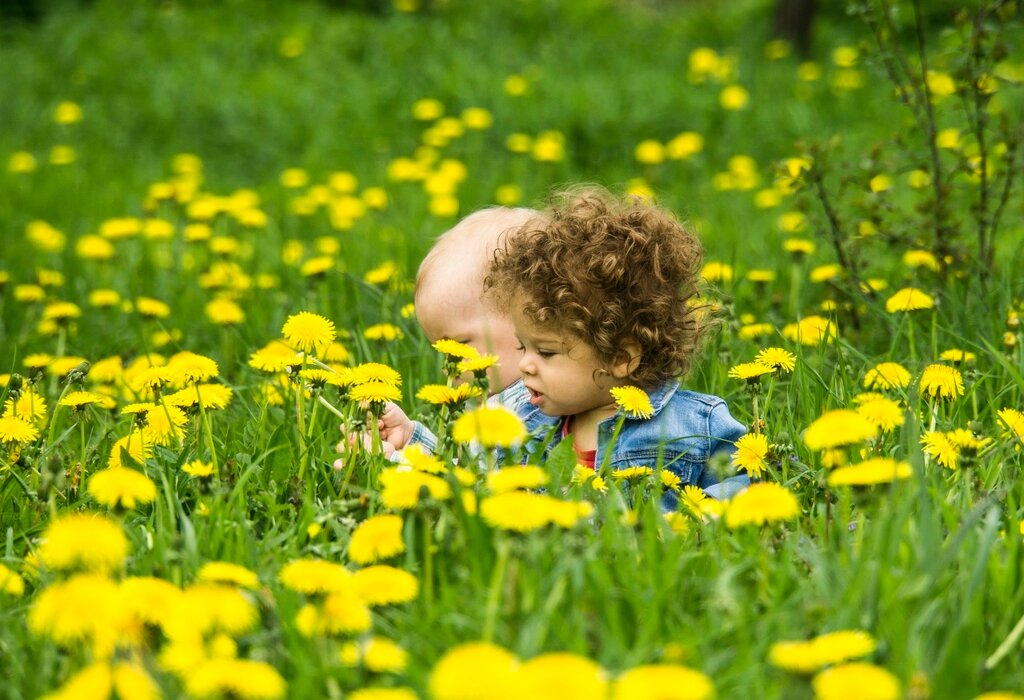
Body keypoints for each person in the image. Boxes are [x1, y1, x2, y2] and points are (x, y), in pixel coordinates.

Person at [483, 186, 748, 501]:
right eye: (522, 347)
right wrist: (412, 436)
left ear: (621, 357)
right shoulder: (524, 420)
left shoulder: (695, 425)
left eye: (546, 352)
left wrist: (700, 519)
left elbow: (749, 481)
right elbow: (465, 463)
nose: (525, 365)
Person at [338, 206, 538, 459]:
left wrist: (391, 462)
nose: (448, 368)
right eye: (443, 352)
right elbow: (467, 468)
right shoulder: (498, 402)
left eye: (459, 344)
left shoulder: (533, 406)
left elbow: (484, 486)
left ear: (531, 317)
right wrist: (410, 438)